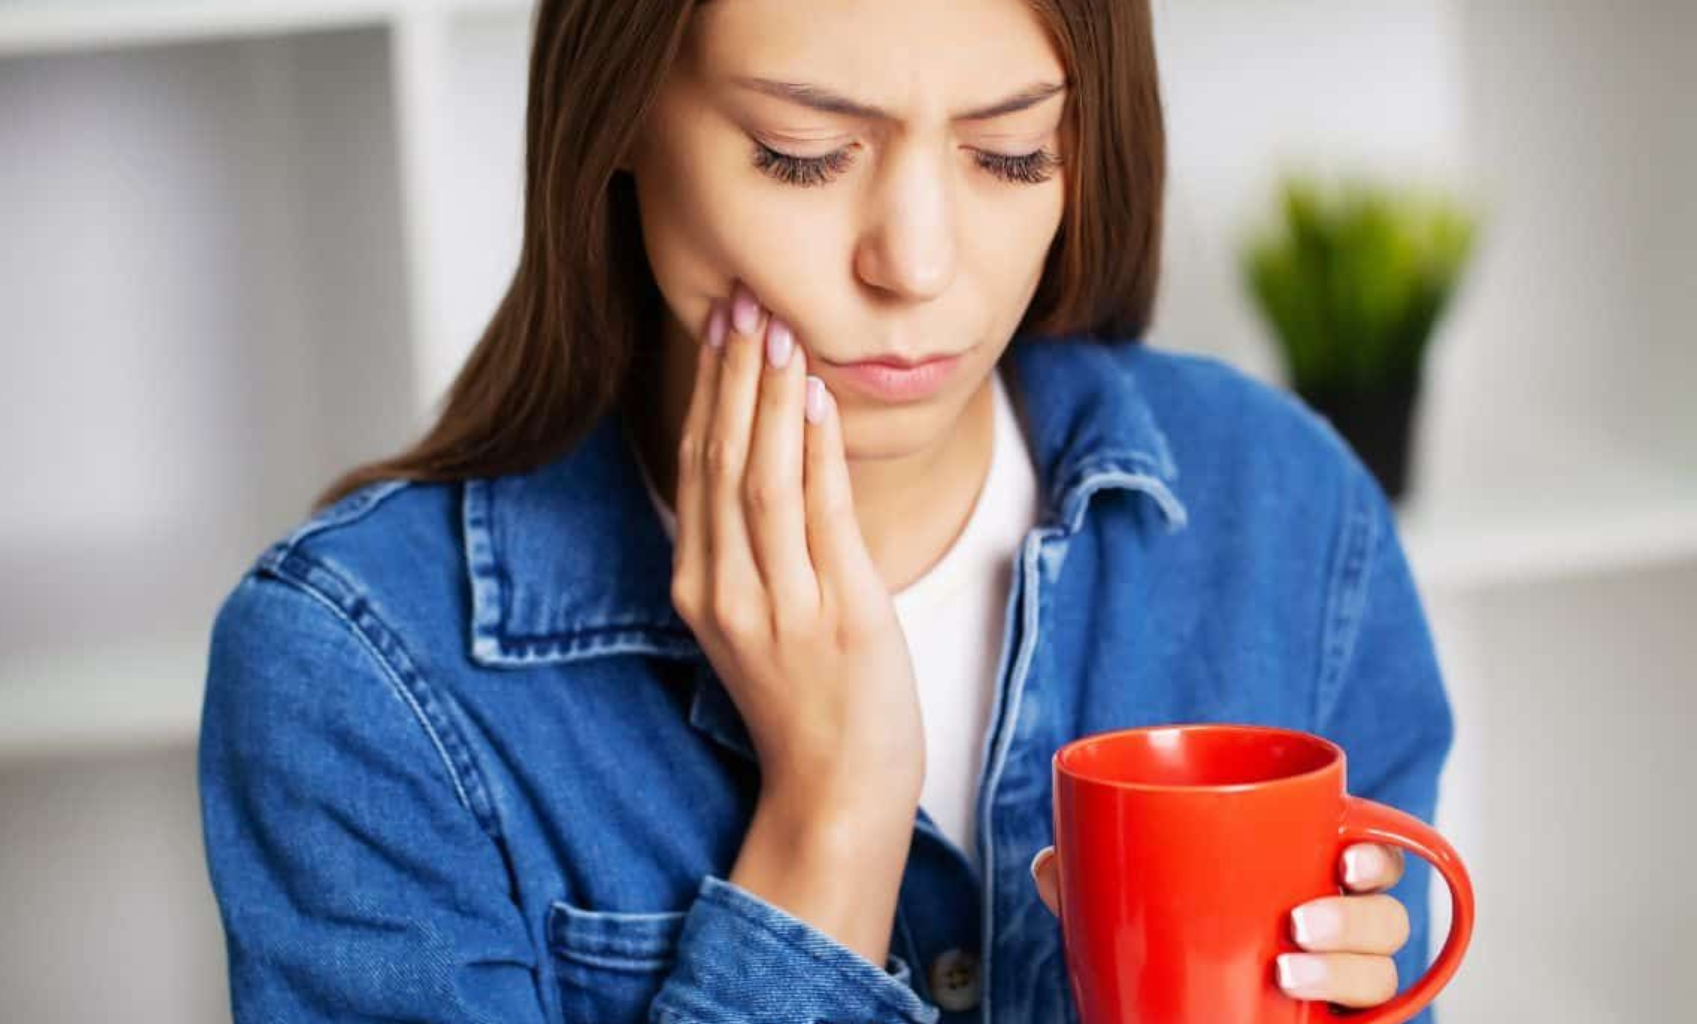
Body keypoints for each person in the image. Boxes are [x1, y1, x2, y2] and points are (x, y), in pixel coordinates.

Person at [196, 0, 1455, 1022]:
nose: (914, 261)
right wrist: (831, 817)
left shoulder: (1281, 507)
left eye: (1011, 151)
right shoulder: (359, 670)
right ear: (617, 112)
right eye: (803, 152)